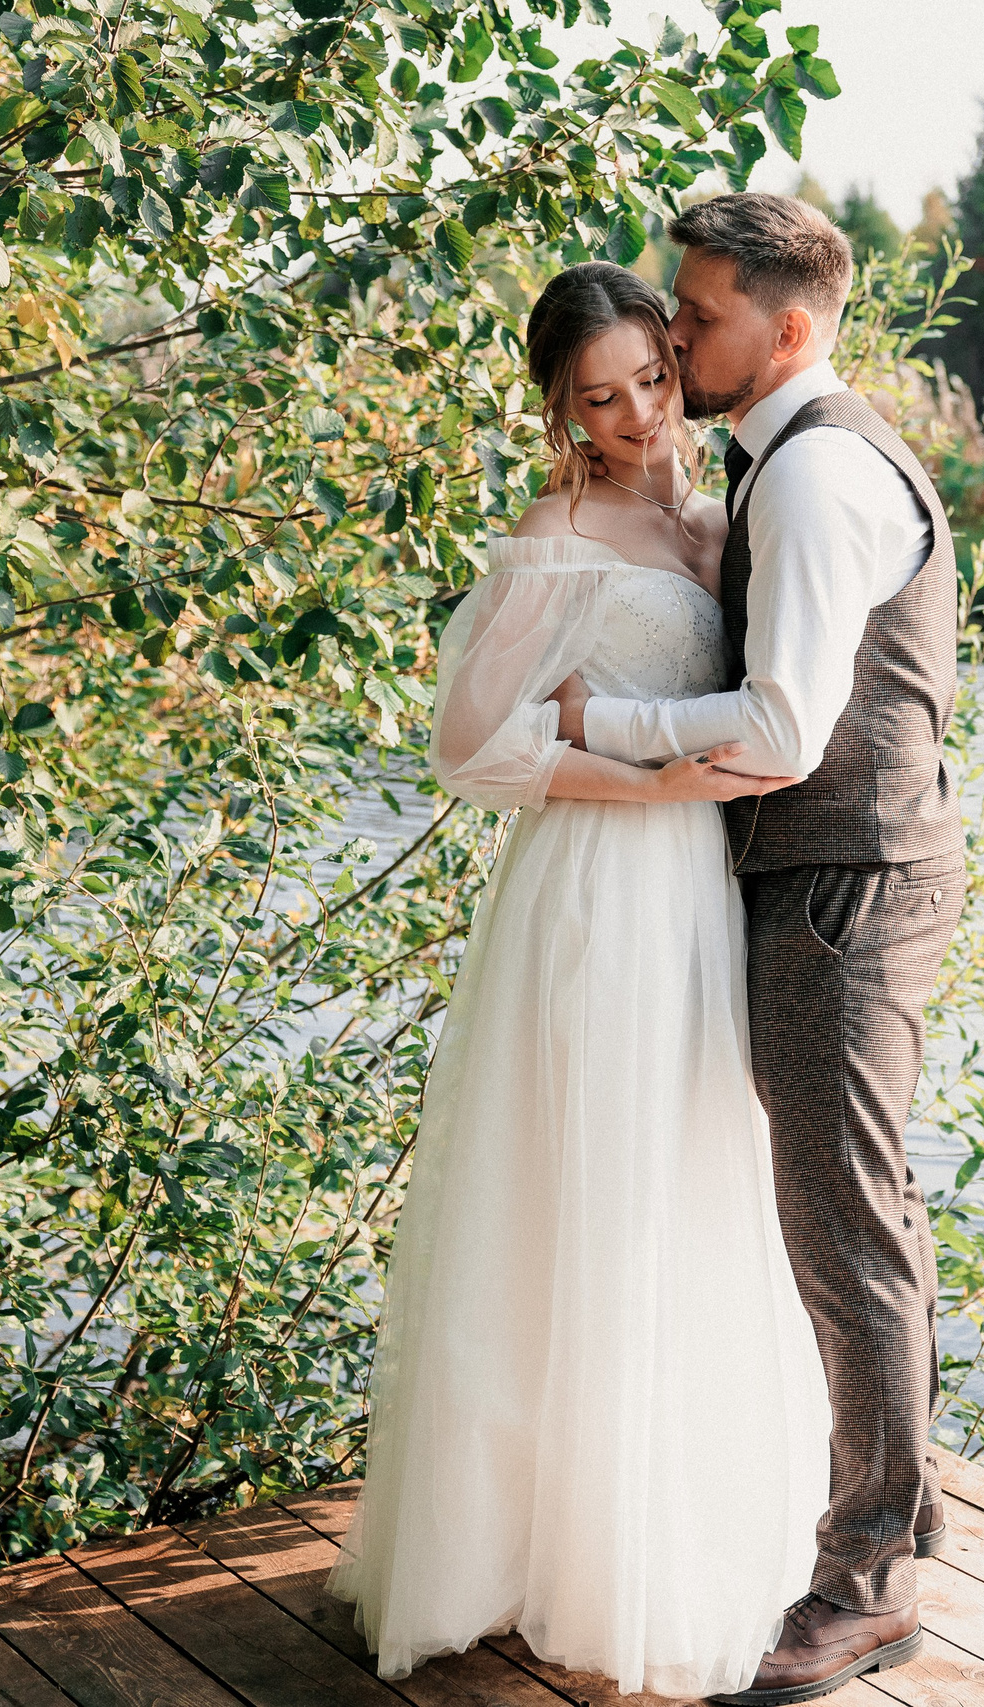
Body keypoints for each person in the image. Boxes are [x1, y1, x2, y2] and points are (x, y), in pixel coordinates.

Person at [325, 262, 831, 1699]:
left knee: (686, 1185)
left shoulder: (731, 516)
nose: (633, 419)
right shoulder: (554, 541)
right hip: (602, 894)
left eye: (650, 383)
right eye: (595, 401)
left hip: (702, 896)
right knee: (586, 1195)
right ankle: (543, 1554)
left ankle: (668, 1517)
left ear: (681, 361)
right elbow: (471, 749)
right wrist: (650, 788)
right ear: (560, 410)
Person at [553, 191, 968, 1705]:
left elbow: (786, 731)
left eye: (701, 312)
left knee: (840, 1234)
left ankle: (863, 1585)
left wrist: (612, 726)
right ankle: (908, 1523)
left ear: (787, 328)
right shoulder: (793, 457)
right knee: (872, 1215)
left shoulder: (811, 482)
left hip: (841, 891)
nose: (672, 333)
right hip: (851, 876)